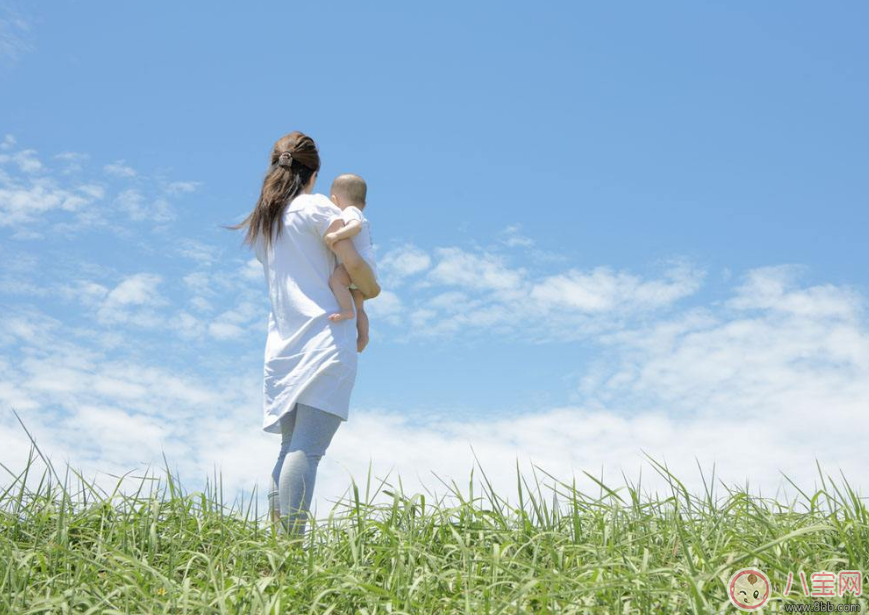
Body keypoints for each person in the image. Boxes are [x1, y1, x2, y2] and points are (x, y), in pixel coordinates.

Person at [227, 131, 380, 541]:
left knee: (290, 449)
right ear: (313, 174)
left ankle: (277, 547)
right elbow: (359, 269)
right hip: (324, 339)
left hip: (284, 346)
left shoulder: (267, 224)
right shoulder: (314, 209)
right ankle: (291, 549)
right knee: (307, 451)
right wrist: (371, 290)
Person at [325, 173, 376, 353]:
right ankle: (363, 337)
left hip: (357, 264)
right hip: (366, 268)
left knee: (335, 281)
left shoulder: (350, 211)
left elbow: (355, 227)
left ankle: (346, 310)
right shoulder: (360, 212)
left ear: (334, 200)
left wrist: (336, 235)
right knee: (360, 307)